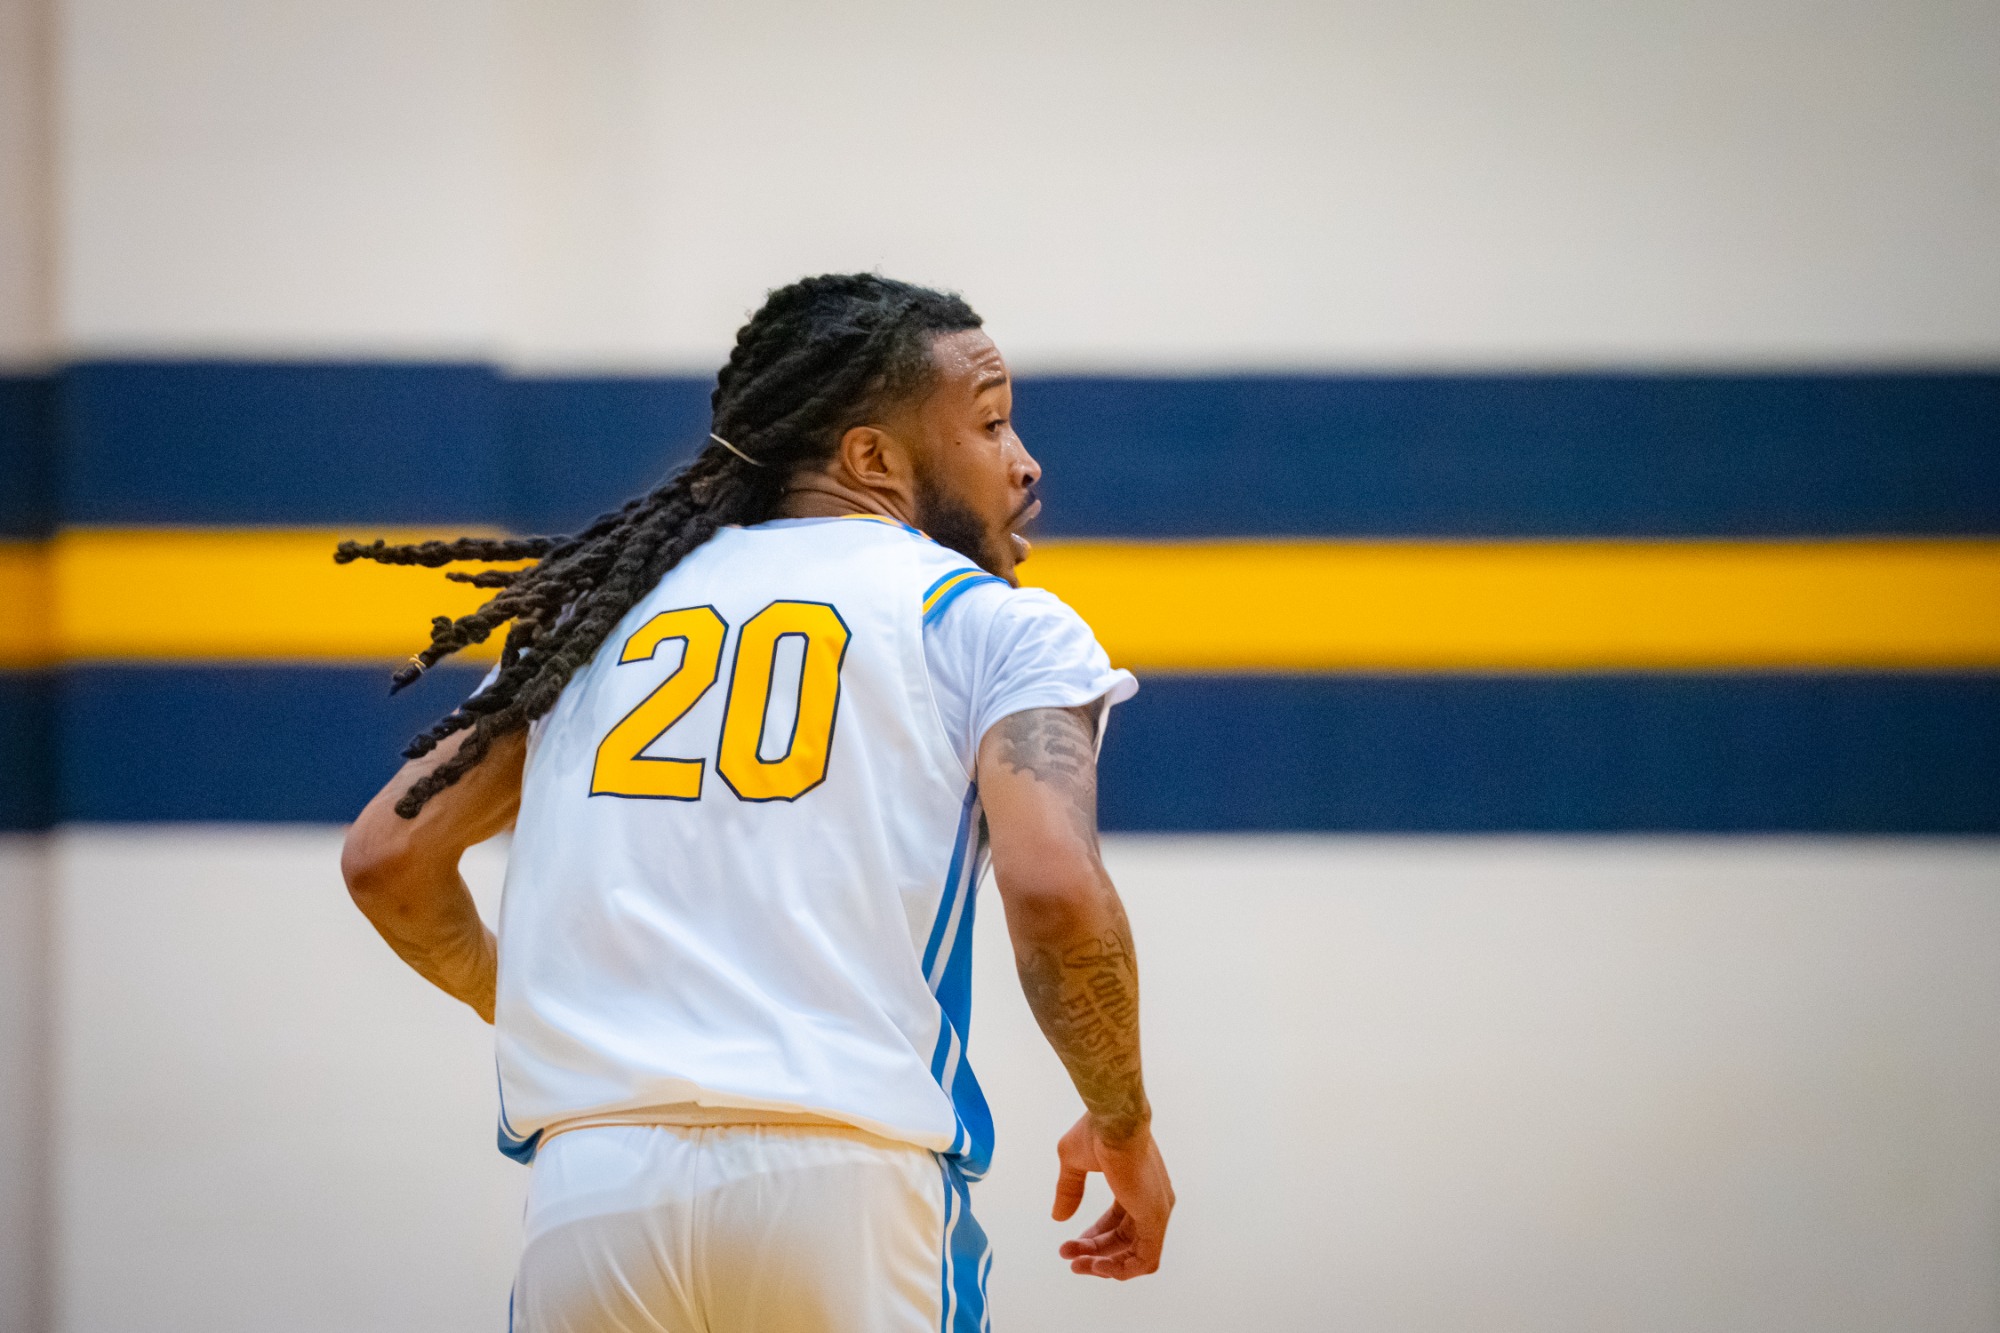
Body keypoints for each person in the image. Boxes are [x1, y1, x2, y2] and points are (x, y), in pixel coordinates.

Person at [338, 274, 1172, 1331]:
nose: (1024, 459)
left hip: (591, 1192)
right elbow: (1052, 888)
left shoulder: (596, 617)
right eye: (992, 421)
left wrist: (546, 1008)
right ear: (870, 457)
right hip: (846, 1187)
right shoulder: (990, 623)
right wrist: (1120, 1119)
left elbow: (386, 859)